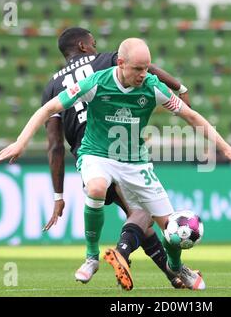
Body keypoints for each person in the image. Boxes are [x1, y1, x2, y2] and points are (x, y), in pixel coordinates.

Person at [0, 37, 231, 291]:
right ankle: (91, 258)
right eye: (138, 69)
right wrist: (20, 142)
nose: (144, 74)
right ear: (120, 63)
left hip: (135, 162)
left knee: (172, 227)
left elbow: (191, 116)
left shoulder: (152, 86)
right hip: (97, 154)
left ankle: (177, 267)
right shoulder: (96, 82)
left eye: (146, 67)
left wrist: (226, 148)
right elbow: (47, 109)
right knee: (96, 188)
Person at [40, 27, 192, 288]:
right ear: (83, 46)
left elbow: (54, 145)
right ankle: (131, 257)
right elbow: (145, 68)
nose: (96, 48)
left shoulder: (52, 86)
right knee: (142, 212)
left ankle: (173, 273)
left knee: (138, 216)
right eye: (93, 43)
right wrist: (179, 86)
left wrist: (58, 196)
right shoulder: (104, 63)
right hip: (111, 146)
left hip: (85, 156)